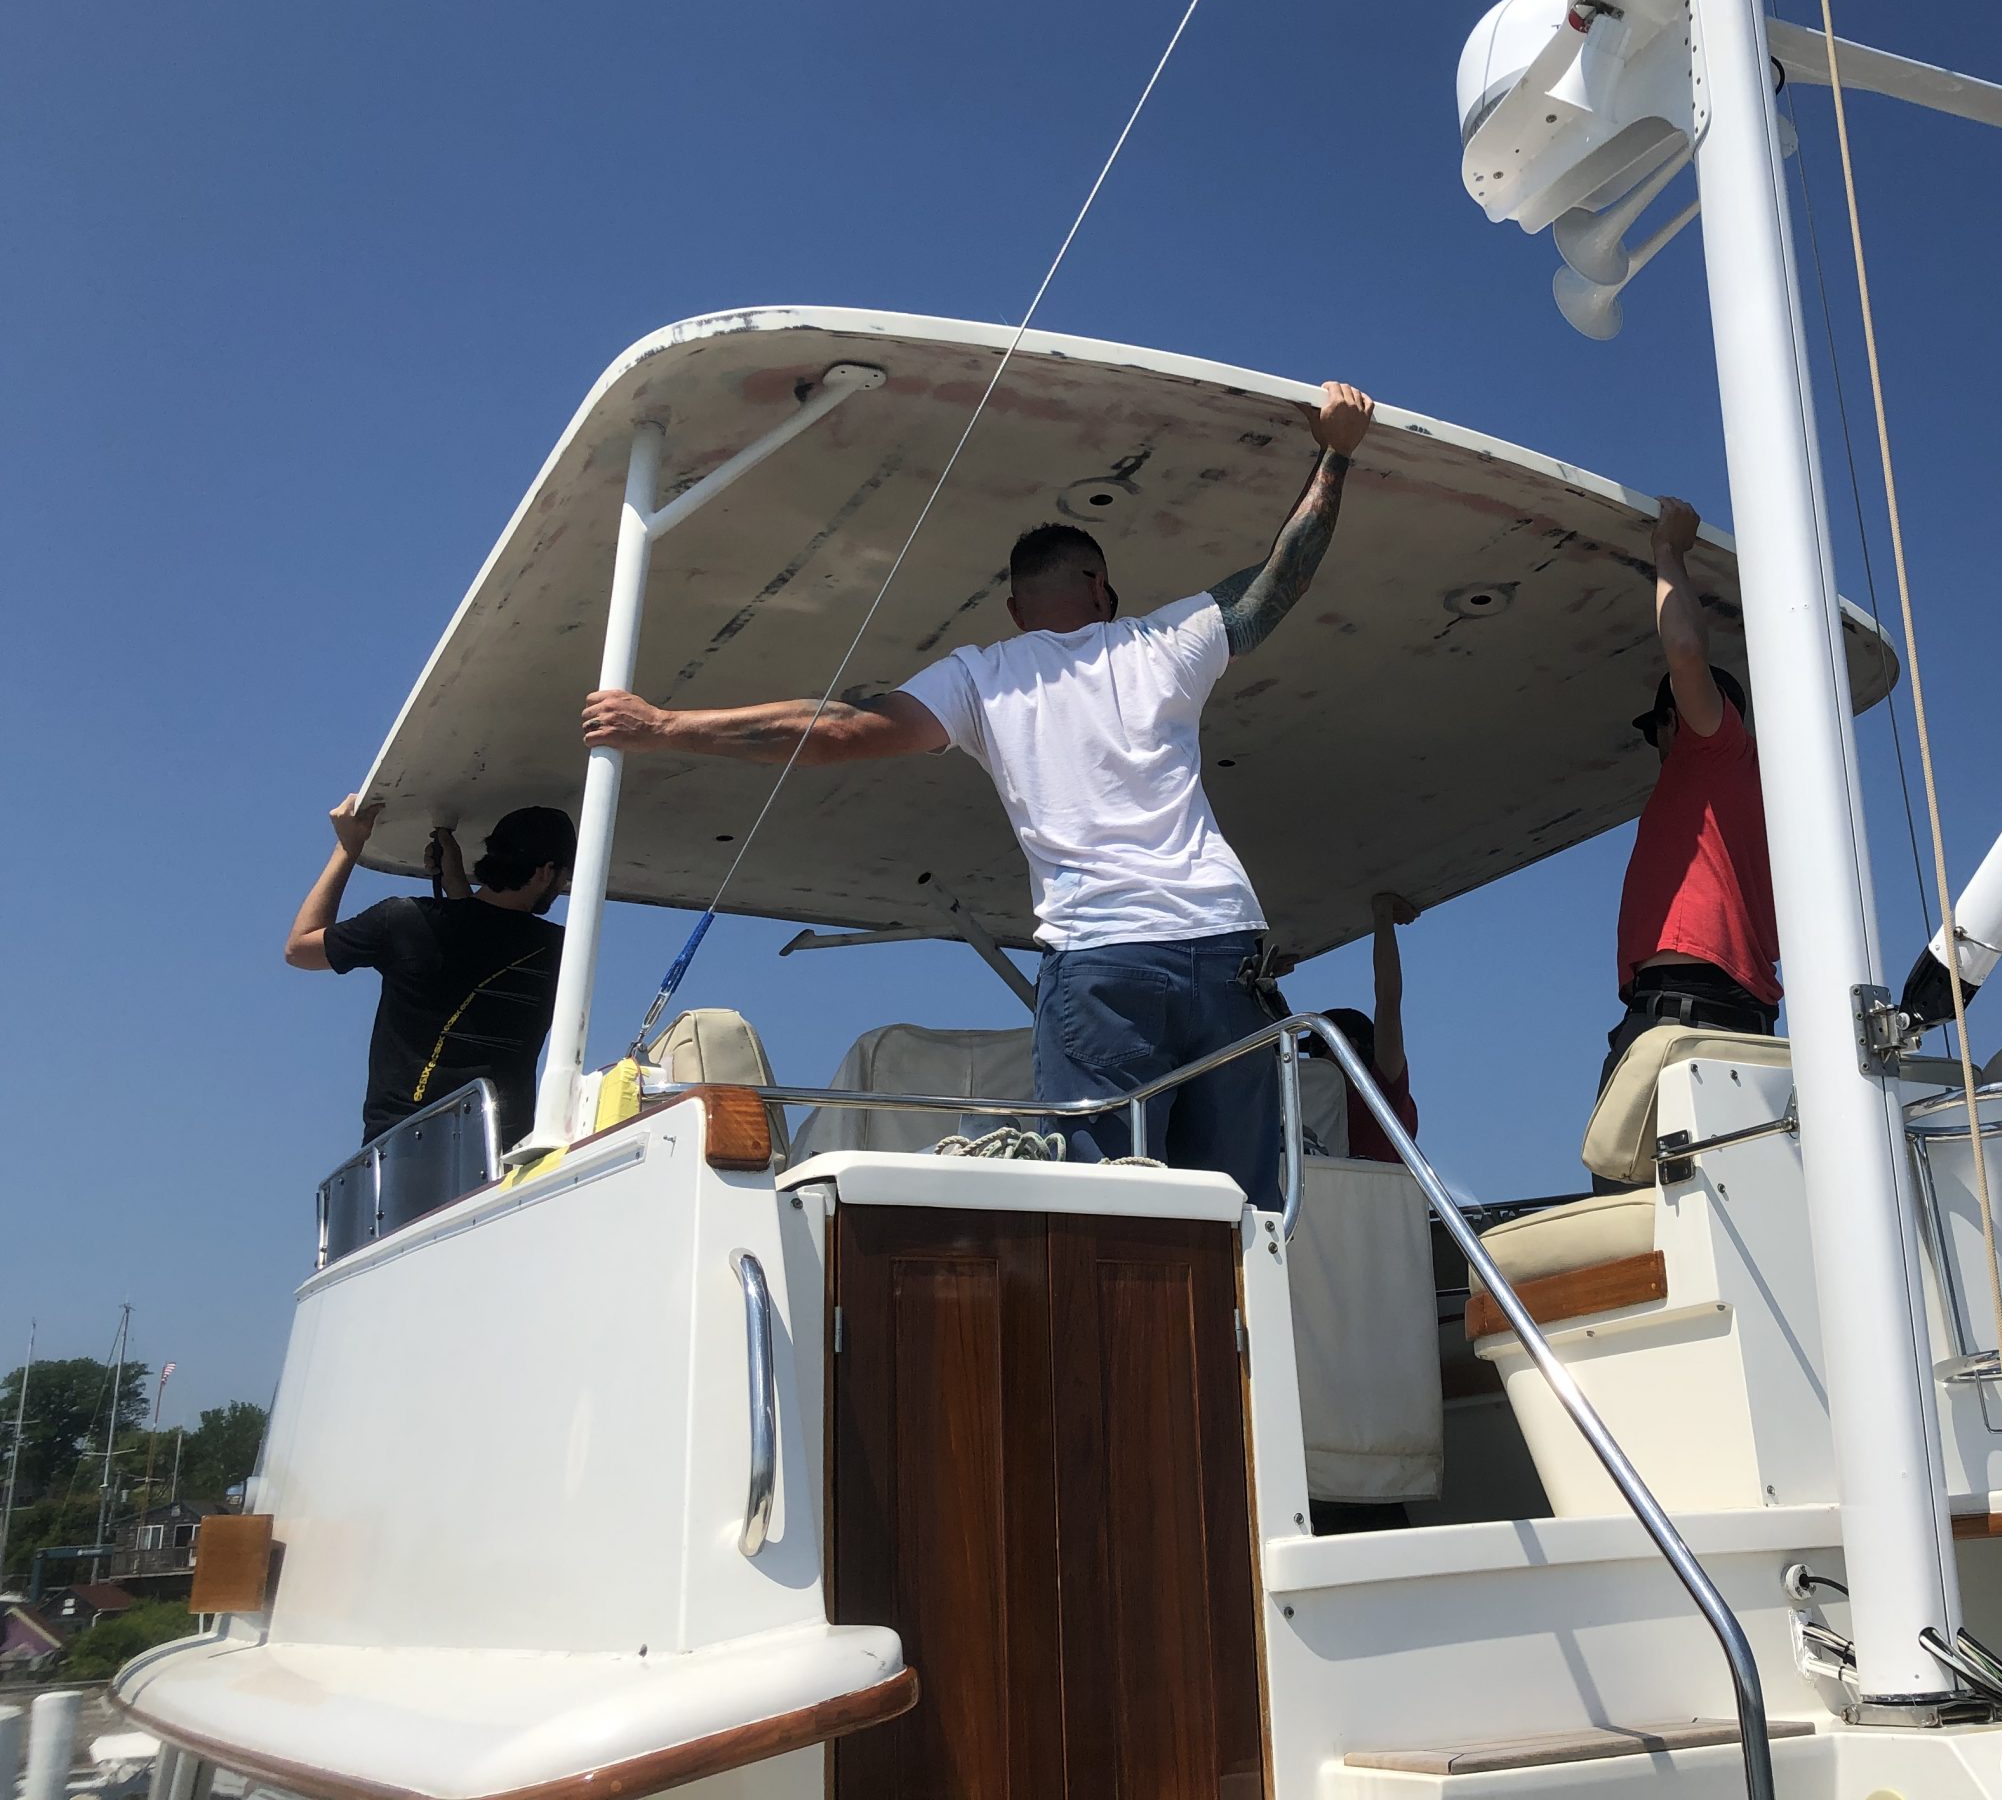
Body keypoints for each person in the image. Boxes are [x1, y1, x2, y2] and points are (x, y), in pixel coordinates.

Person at [580, 382, 1380, 1209]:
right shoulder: (1163, 642)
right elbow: (1280, 578)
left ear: (1014, 609)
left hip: (1105, 963)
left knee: (1112, 1207)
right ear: (1101, 587)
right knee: (1242, 1208)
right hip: (1224, 951)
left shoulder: (982, 676)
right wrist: (1336, 453)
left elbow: (835, 731)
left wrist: (663, 725)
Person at [1604, 495, 1781, 1090]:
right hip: (1735, 1016)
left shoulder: (1714, 748)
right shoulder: (1760, 793)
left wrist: (1668, 551)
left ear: (1674, 720)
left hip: (1685, 1011)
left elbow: (1684, 650)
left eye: (1656, 730)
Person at [285, 798, 577, 1150]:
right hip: (500, 1155)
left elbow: (300, 948)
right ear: (546, 872)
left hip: (398, 1151)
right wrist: (456, 886)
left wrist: (348, 847)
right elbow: (490, 944)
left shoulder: (403, 920)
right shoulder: (561, 952)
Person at [1305, 892, 1421, 1164]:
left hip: (1372, 1191)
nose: (1313, 1058)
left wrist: (1383, 916)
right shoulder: (1320, 1108)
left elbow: (1388, 1002)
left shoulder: (1383, 1092)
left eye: (1318, 1048)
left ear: (1350, 1047)